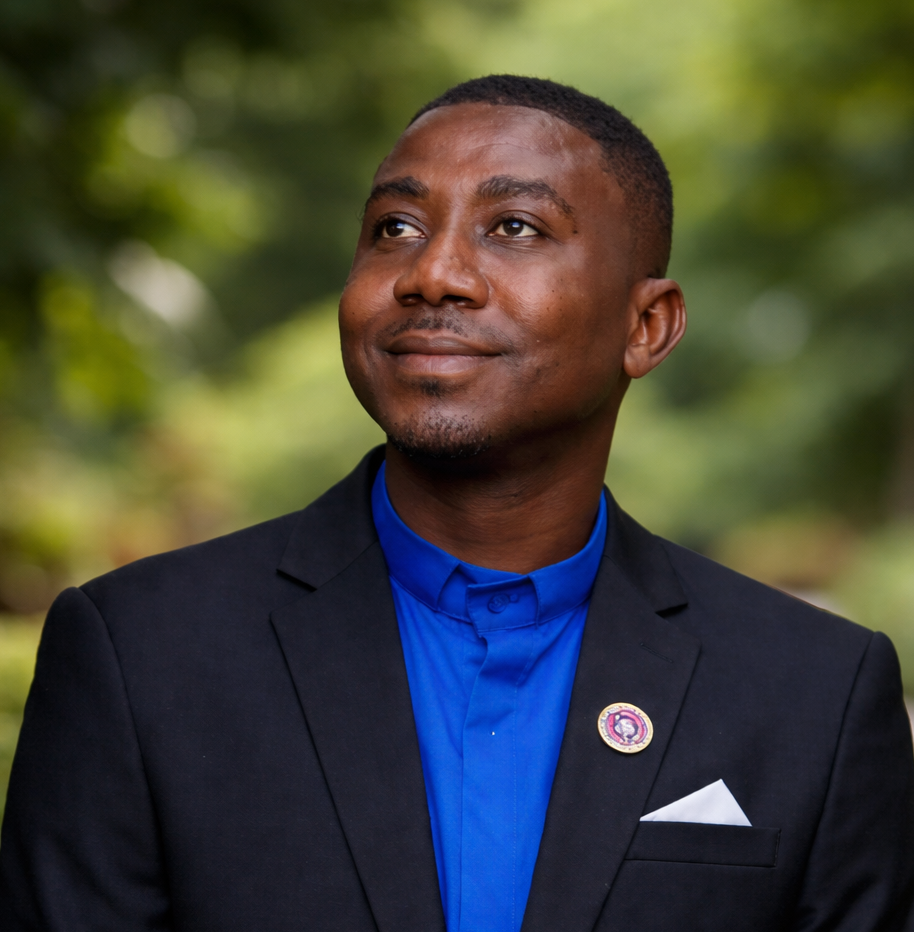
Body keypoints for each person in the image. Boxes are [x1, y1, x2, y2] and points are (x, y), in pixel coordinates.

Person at [1, 74, 912, 932]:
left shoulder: (815, 694)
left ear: (647, 326)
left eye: (514, 226)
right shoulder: (138, 654)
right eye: (394, 227)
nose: (432, 273)